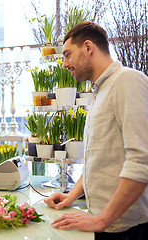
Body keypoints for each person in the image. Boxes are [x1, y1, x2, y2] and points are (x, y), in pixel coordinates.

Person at [44, 22, 148, 239]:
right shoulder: (101, 91)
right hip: (104, 223)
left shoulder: (127, 81)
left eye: (68, 55)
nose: (65, 64)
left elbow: (141, 160)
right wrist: (71, 195)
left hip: (126, 229)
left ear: (88, 48)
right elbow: (99, 160)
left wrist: (102, 219)